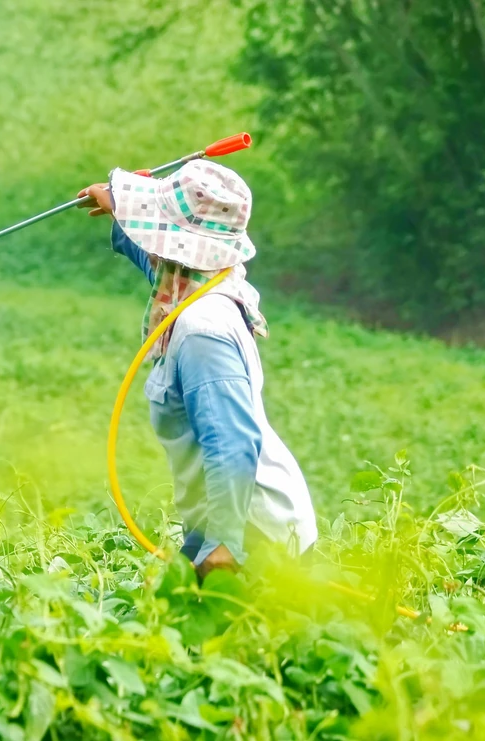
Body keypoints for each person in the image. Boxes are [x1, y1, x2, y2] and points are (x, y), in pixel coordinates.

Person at [77, 160, 316, 579]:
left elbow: (232, 444)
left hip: (253, 538)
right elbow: (156, 262)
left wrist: (224, 545)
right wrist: (120, 208)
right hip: (234, 524)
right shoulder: (203, 283)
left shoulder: (201, 330)